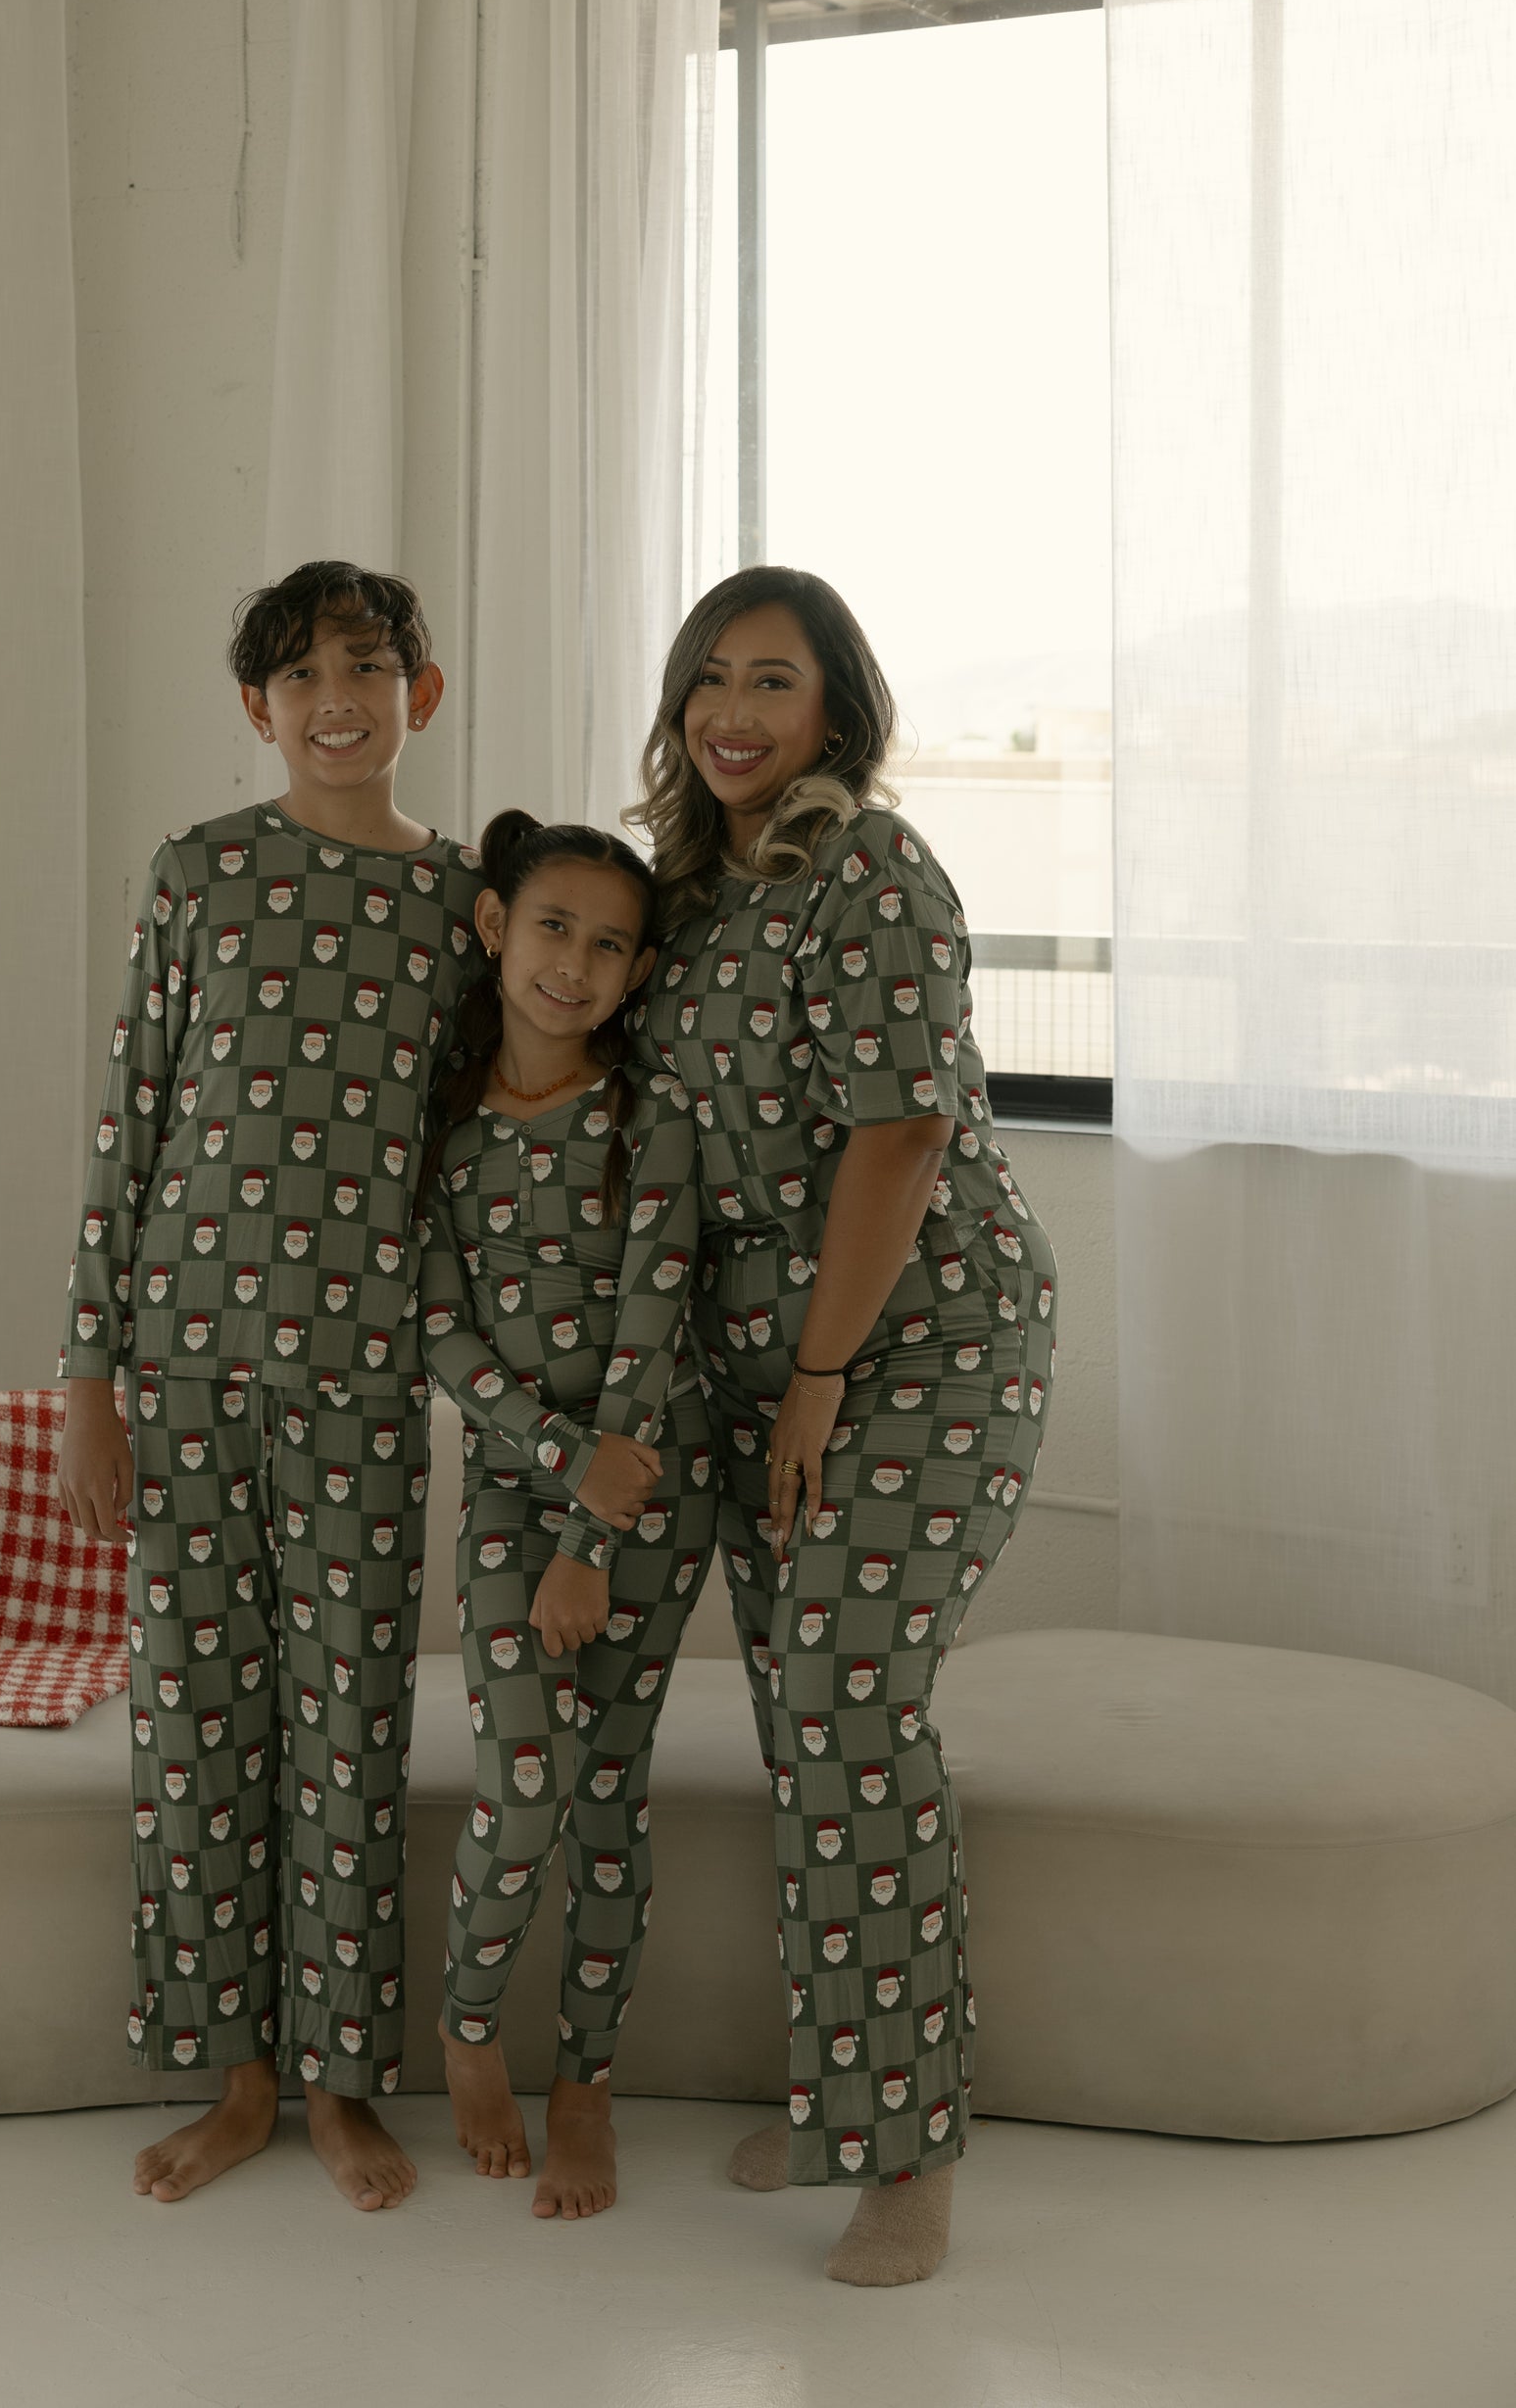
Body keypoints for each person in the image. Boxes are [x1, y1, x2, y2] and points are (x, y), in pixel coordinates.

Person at [628, 564, 1057, 2288]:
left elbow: (901, 1139)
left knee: (846, 1705)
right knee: (808, 1728)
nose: (734, 712)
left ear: (835, 713)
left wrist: (814, 1383)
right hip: (767, 1363)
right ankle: (842, 2095)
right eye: (709, 680)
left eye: (774, 684)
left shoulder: (870, 870)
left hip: (925, 1345)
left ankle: (905, 2157)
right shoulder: (697, 892)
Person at [54, 559, 484, 2215]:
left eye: (367, 669)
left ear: (418, 695)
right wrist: (89, 1376)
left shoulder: (463, 909)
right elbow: (129, 1127)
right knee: (195, 1735)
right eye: (300, 676)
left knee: (351, 1732)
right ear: (256, 708)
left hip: (365, 1387)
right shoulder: (200, 874)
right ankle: (234, 2081)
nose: (335, 699)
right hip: (180, 1377)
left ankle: (336, 2090)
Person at [416, 810, 709, 2221]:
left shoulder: (647, 1121)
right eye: (551, 929)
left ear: (635, 971)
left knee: (606, 1795)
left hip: (648, 1495)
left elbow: (651, 1336)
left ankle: (585, 2083)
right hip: (512, 1500)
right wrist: (550, 1467)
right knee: (524, 1781)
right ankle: (469, 2031)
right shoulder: (442, 1119)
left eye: (606, 946)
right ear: (492, 928)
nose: (572, 965)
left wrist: (597, 1534)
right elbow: (434, 1327)